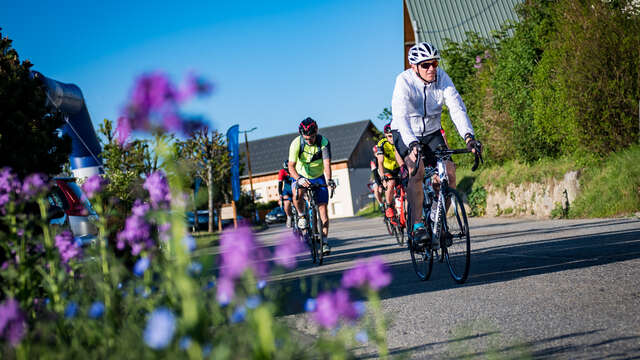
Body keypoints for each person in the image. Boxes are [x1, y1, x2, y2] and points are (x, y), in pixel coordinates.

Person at [390, 42, 482, 249]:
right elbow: (400, 116)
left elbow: (457, 108)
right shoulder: (404, 81)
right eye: (426, 65)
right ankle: (417, 226)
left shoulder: (442, 78)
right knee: (418, 170)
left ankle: (436, 219)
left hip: (432, 132)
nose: (432, 68)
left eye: (434, 63)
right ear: (414, 67)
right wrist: (412, 142)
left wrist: (469, 137)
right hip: (406, 132)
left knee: (448, 174)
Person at [288, 117, 336, 255]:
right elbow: (291, 167)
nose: (309, 140)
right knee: (296, 192)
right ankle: (302, 215)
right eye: (306, 138)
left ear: (316, 132)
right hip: (301, 175)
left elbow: (327, 164)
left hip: (318, 176)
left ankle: (325, 242)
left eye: (312, 137)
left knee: (324, 215)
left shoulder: (323, 142)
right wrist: (298, 179)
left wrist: (330, 180)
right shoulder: (296, 143)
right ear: (302, 135)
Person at [376, 123, 400, 223]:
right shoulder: (381, 143)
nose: (392, 138)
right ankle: (389, 207)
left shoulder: (400, 140)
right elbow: (380, 162)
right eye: (389, 136)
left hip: (399, 166)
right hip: (387, 168)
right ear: (385, 136)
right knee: (391, 183)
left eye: (393, 136)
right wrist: (382, 177)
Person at [278, 160, 294, 227]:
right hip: (287, 190)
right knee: (286, 203)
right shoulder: (282, 172)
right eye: (286, 170)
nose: (288, 172)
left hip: (295, 188)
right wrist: (280, 194)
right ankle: (289, 216)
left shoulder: (295, 169)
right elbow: (280, 183)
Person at [370, 145, 384, 210]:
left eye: (378, 152)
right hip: (378, 178)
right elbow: (375, 174)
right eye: (375, 153)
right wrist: (379, 185)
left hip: (385, 177)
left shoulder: (384, 158)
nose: (377, 154)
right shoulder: (373, 161)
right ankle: (381, 204)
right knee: (376, 190)